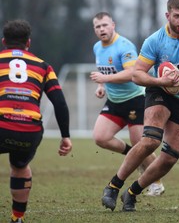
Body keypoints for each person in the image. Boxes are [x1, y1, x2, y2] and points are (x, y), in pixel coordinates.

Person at [101, 0, 179, 212]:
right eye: (177, 16)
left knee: (170, 158)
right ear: (168, 15)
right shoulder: (155, 41)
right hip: (160, 92)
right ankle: (113, 185)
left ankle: (131, 192)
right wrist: (160, 81)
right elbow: (137, 75)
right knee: (150, 141)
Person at [0, 19, 73, 223]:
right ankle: (17, 217)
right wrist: (65, 136)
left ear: (4, 41)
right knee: (20, 165)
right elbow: (59, 102)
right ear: (28, 43)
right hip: (29, 129)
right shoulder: (43, 66)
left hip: (2, 124)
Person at [90, 12, 165, 199]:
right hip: (114, 102)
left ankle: (157, 183)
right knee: (100, 137)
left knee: (143, 145)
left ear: (113, 25)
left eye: (105, 25)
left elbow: (132, 73)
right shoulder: (97, 47)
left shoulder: (124, 46)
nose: (102, 30)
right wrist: (102, 86)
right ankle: (133, 156)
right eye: (98, 27)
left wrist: (104, 79)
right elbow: (103, 71)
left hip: (135, 100)